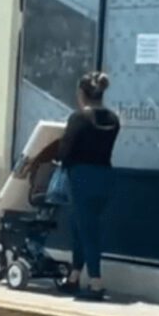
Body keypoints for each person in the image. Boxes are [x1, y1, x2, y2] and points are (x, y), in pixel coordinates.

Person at [56, 71, 120, 301]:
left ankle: (95, 283)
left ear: (82, 93)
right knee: (80, 226)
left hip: (82, 177)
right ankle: (74, 276)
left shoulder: (79, 118)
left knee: (88, 230)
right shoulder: (113, 119)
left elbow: (65, 151)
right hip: (105, 176)